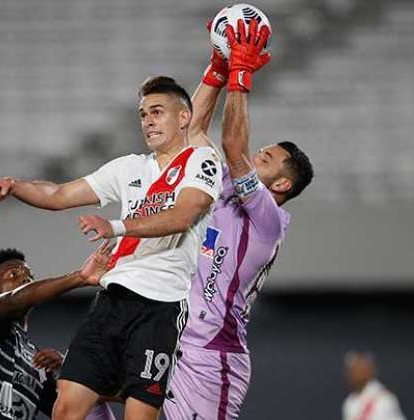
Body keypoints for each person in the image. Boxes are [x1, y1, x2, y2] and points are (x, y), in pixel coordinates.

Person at [0, 77, 223, 420]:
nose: (148, 121)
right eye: (142, 115)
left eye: (157, 112)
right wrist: (15, 186)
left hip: (160, 310)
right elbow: (58, 195)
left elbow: (184, 216)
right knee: (65, 408)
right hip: (111, 304)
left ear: (184, 117)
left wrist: (116, 226)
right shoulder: (129, 168)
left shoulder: (202, 161)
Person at [163, 19, 315, 420]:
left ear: (282, 183)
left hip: (212, 355)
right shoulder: (224, 185)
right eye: (258, 149)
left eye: (266, 158)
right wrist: (216, 68)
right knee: (77, 397)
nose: (255, 154)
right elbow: (190, 131)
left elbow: (232, 143)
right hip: (169, 335)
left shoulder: (269, 219)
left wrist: (241, 73)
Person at [0, 243, 117, 420]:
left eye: (30, 277)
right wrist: (80, 277)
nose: (24, 279)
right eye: (13, 275)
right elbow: (14, 301)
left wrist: (68, 370)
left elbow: (84, 399)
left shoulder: (37, 365)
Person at [342, 351, 406, 420]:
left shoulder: (384, 399)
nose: (354, 373)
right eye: (351, 369)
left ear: (370, 370)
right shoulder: (349, 402)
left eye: (359, 368)